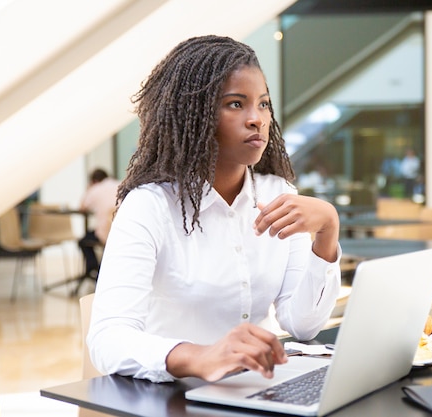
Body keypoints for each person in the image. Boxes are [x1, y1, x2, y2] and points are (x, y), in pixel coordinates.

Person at [87, 35, 342, 384]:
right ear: (193, 113)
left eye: (264, 104)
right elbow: (107, 339)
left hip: (259, 390)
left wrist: (327, 230)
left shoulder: (278, 194)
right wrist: (199, 356)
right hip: (171, 395)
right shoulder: (150, 205)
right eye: (236, 104)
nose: (257, 119)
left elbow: (302, 324)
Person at [78, 168, 120, 278]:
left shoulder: (95, 189)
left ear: (94, 181)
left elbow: (82, 208)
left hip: (105, 233)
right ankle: (101, 271)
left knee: (83, 241)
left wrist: (89, 189)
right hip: (121, 232)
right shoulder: (120, 184)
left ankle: (93, 269)